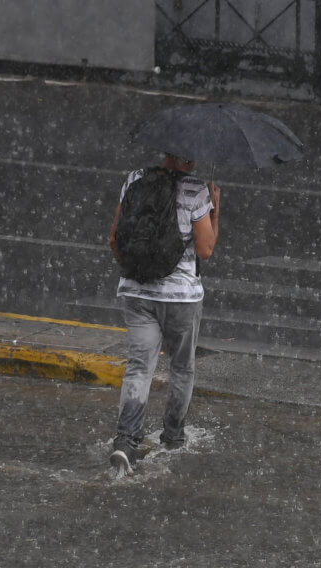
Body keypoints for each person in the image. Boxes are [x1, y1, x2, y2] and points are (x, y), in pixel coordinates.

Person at [107, 153, 221, 475]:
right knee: (181, 368)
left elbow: (115, 239)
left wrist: (139, 272)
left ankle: (126, 441)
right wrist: (215, 207)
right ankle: (172, 437)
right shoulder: (196, 191)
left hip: (136, 292)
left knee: (140, 368)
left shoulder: (134, 179)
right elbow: (206, 250)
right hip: (181, 300)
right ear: (188, 157)